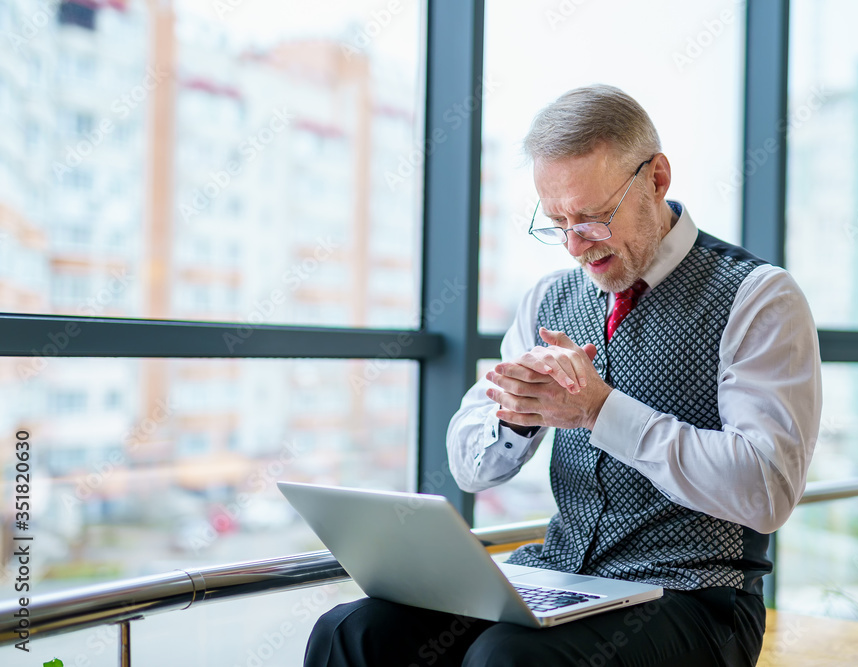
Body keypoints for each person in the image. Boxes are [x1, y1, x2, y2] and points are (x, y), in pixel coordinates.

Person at [304, 84, 821, 667]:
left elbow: (767, 491)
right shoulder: (548, 300)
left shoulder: (758, 298)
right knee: (351, 630)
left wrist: (601, 413)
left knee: (510, 659)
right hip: (565, 576)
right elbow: (470, 469)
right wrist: (518, 412)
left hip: (697, 598)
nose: (575, 246)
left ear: (657, 179)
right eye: (558, 222)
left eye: (595, 219)